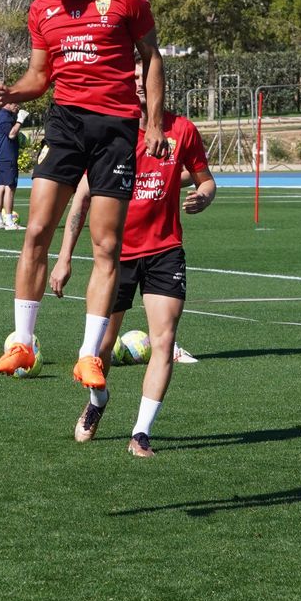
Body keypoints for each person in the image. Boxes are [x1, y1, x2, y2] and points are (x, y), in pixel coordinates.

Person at [0, 0, 167, 389]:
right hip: (65, 124)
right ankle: (22, 342)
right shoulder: (40, 9)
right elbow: (40, 76)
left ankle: (89, 354)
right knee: (37, 229)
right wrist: (13, 95)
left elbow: (151, 59)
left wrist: (151, 124)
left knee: (106, 244)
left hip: (116, 130)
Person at [49, 63, 216, 457]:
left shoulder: (183, 130)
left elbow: (204, 178)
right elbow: (82, 200)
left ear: (160, 85)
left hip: (165, 250)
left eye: (146, 79)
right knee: (101, 348)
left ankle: (141, 433)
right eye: (133, 78)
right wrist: (64, 257)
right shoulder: (111, 131)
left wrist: (205, 196)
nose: (139, 84)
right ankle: (97, 403)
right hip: (116, 259)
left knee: (164, 340)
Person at [0, 101, 29, 230]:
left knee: (1, 188)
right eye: (15, 104)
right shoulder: (5, 116)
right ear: (8, 103)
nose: (18, 106)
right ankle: (9, 222)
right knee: (10, 188)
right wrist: (20, 121)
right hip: (8, 158)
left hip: (1, 156)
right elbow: (12, 134)